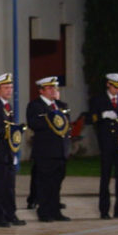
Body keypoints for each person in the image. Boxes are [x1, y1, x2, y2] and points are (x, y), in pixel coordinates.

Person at [89, 73, 118, 219]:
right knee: (105, 177)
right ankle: (104, 210)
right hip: (107, 143)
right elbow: (90, 118)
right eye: (115, 87)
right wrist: (103, 115)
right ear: (108, 84)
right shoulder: (98, 100)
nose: (117, 90)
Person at [26, 76, 71, 222]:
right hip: (45, 151)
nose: (53, 91)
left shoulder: (61, 105)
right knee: (44, 183)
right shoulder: (35, 106)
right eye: (50, 88)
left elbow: (66, 124)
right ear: (41, 91)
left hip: (60, 150)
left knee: (56, 183)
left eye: (55, 88)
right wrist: (51, 117)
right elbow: (34, 123)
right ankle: (44, 212)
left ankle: (55, 211)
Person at [0, 73, 26, 227]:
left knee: (9, 186)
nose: (9, 90)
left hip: (8, 152)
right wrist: (14, 130)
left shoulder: (6, 106)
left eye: (10, 87)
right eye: (6, 88)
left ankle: (10, 214)